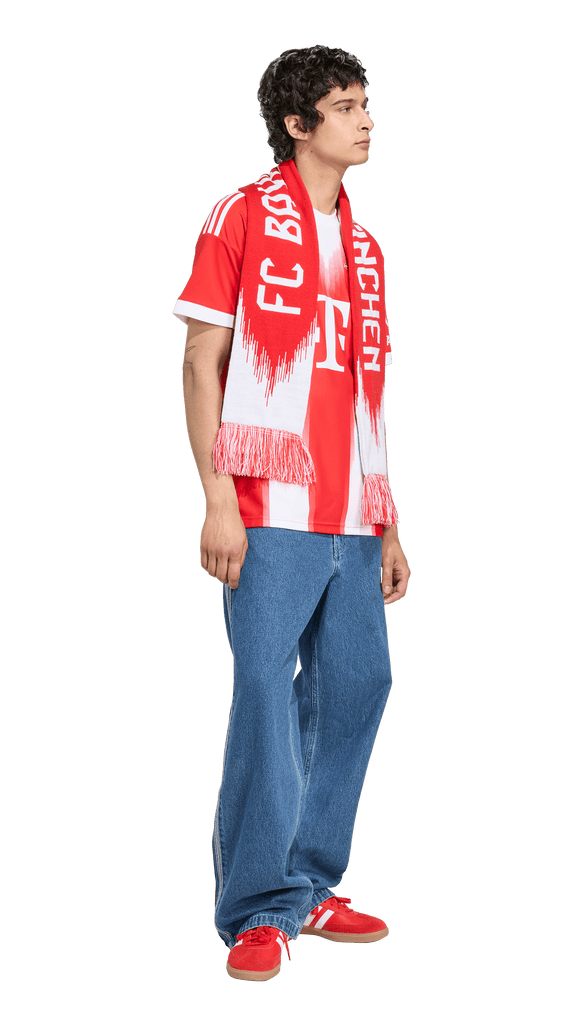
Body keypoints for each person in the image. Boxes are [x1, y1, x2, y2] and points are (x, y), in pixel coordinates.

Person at [172, 43, 411, 984]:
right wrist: (218, 501)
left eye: (364, 103)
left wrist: (388, 522)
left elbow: (365, 394)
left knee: (358, 686)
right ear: (298, 124)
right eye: (347, 106)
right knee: (268, 695)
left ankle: (310, 884)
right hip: (268, 504)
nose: (367, 119)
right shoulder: (240, 213)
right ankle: (257, 909)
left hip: (351, 509)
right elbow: (202, 362)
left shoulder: (366, 247)